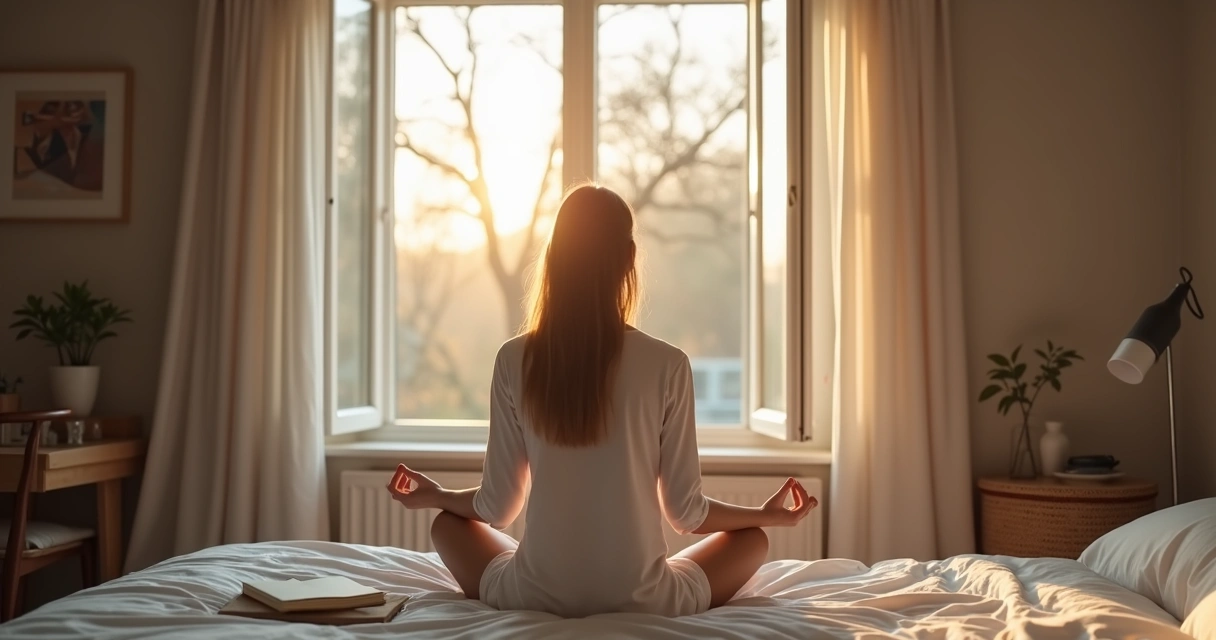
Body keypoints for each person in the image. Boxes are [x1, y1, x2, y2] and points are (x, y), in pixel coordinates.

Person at [387, 183, 816, 618]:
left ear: (555, 258)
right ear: (628, 259)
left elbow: (497, 508)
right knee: (754, 538)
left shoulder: (514, 359)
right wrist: (766, 514)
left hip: (532, 593)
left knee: (447, 525)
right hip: (647, 599)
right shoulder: (667, 363)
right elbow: (686, 514)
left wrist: (438, 495)